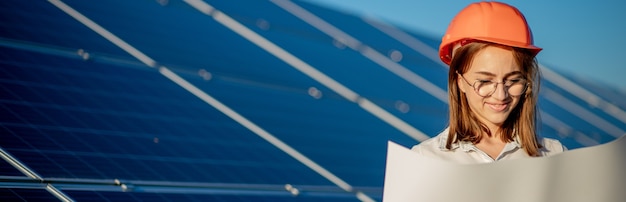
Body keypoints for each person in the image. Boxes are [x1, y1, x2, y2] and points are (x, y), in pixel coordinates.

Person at [411, 1, 566, 163]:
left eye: (513, 80)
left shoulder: (554, 156)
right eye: (485, 81)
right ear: (459, 81)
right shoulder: (425, 160)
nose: (500, 95)